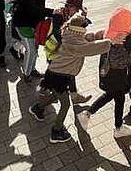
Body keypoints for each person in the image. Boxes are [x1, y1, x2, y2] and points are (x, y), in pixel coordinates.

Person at [78, 7, 131, 138]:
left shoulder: (108, 33)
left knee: (113, 95)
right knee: (117, 97)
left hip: (107, 72)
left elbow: (94, 38)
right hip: (119, 74)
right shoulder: (126, 39)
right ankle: (116, 127)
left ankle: (89, 115)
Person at [29, 15, 112, 143]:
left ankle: (37, 108)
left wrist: (101, 34)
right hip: (59, 76)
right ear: (80, 29)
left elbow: (86, 39)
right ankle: (56, 132)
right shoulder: (75, 43)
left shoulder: (70, 34)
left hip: (56, 73)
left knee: (56, 95)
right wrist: (109, 42)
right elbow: (89, 48)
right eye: (85, 25)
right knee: (65, 104)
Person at [42, 0, 92, 104]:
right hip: (54, 49)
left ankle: (73, 95)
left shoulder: (74, 17)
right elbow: (56, 32)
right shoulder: (59, 15)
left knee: (67, 72)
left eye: (71, 6)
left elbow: (82, 26)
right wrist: (69, 40)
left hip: (63, 51)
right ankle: (41, 99)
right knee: (56, 72)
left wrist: (84, 16)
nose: (68, 8)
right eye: (68, 6)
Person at [10, 0, 54, 82]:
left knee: (34, 47)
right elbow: (32, 8)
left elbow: (39, 5)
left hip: (35, 22)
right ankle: (27, 73)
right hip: (24, 23)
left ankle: (30, 67)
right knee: (32, 51)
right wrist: (52, 12)